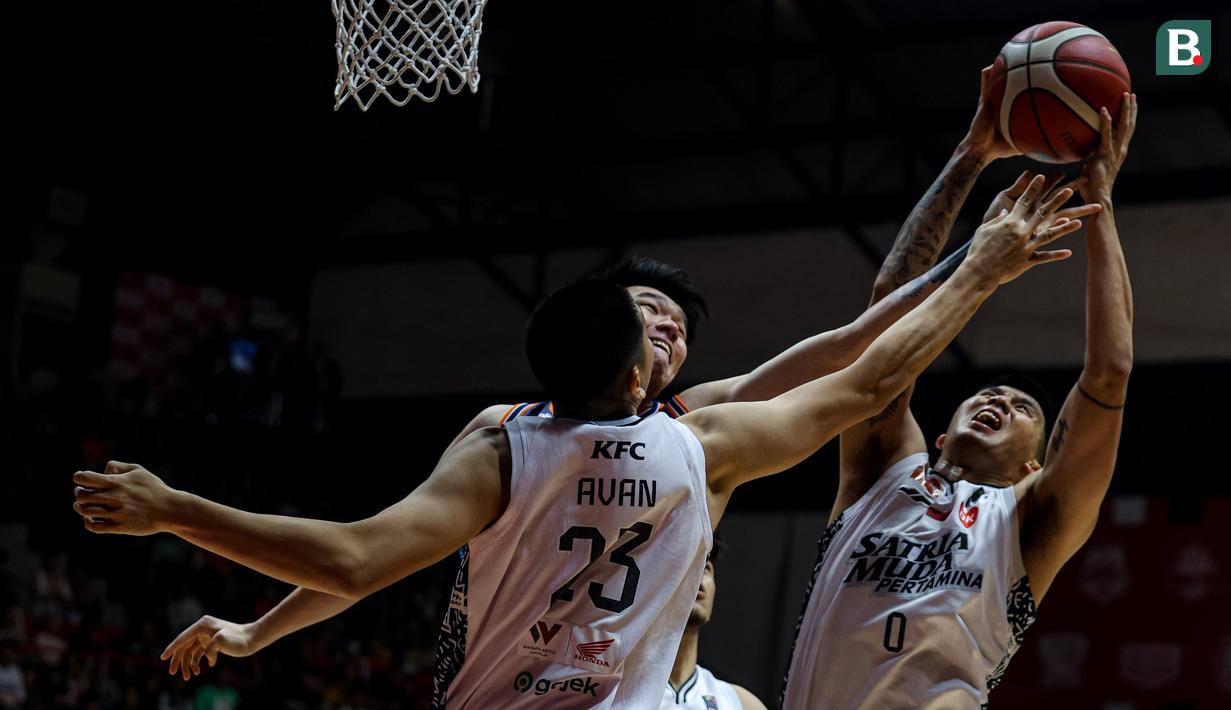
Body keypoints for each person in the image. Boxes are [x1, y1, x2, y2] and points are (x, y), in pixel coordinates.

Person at [73, 180, 1087, 708]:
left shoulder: (532, 437)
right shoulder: (680, 443)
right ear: (627, 353)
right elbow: (859, 366)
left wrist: (177, 513)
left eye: (681, 324)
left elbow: (362, 552)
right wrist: (980, 267)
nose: (670, 330)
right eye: (650, 316)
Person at [778, 89, 1137, 709]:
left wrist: (1098, 202)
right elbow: (889, 310)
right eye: (989, 393)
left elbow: (1110, 375)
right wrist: (972, 154)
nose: (1000, 398)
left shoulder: (1031, 523)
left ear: (1034, 466)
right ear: (939, 437)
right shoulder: (879, 475)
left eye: (1024, 408)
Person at [661, 533, 766, 710]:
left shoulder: (742, 704)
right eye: (689, 564)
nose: (699, 577)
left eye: (706, 568)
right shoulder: (616, 691)